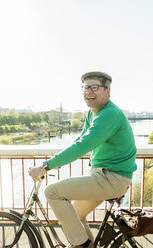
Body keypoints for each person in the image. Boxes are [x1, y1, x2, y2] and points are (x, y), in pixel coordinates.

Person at [28, 71, 137, 248]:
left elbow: (82, 147)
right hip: (104, 176)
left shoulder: (109, 114)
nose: (89, 92)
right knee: (75, 215)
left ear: (107, 92)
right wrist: (54, 161)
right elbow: (79, 141)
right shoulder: (93, 113)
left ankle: (82, 245)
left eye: (95, 87)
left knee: (52, 192)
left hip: (111, 179)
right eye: (86, 87)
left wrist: (46, 166)